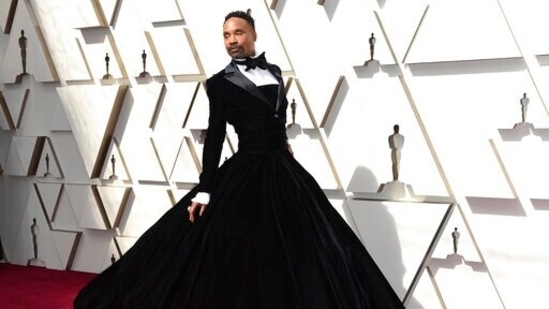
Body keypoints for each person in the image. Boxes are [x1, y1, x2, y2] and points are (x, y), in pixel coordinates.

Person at [74, 10, 404, 308]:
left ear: (253, 34)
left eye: (239, 33)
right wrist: (205, 188)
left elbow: (277, 118)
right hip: (245, 171)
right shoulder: (219, 84)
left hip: (284, 170)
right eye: (227, 35)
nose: (232, 41)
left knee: (311, 247)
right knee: (238, 251)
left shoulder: (274, 72)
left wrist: (284, 143)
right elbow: (215, 135)